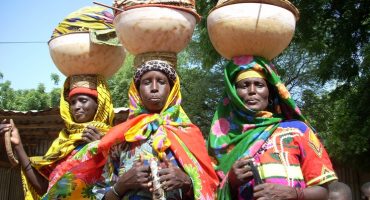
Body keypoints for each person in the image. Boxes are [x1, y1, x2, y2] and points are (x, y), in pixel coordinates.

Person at [42, 58, 219, 199]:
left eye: (162, 82)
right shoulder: (120, 138)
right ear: (137, 90)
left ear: (172, 90)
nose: (154, 88)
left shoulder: (189, 133)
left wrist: (187, 181)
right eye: (147, 82)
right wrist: (122, 185)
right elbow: (96, 194)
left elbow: (212, 187)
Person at [208, 55, 338, 200]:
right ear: (233, 94)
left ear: (269, 93)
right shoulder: (222, 141)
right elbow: (206, 191)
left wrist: (294, 194)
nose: (252, 90)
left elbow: (324, 192)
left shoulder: (298, 130)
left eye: (259, 84)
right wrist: (231, 182)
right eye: (244, 85)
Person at [0, 75, 114, 199]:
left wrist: (101, 149)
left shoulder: (114, 139)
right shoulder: (62, 144)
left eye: (83, 100)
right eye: (72, 102)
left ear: (99, 104)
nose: (76, 107)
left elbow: (120, 182)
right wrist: (18, 145)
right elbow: (45, 189)